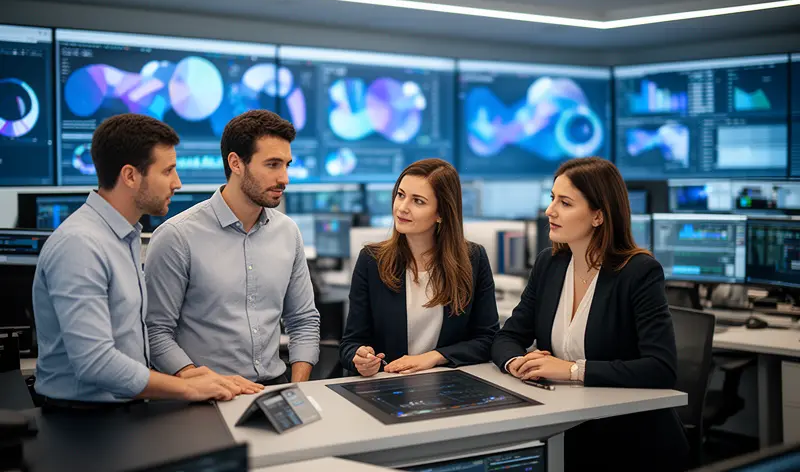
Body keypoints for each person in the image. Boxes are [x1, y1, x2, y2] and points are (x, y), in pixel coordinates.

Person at [33, 114, 260, 410]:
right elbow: (95, 362)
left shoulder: (122, 238)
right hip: (84, 421)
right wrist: (187, 387)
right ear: (130, 176)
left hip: (123, 409)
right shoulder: (80, 245)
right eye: (167, 171)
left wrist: (191, 376)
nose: (177, 183)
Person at [491, 157, 689, 472]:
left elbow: (661, 368)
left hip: (629, 441)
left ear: (599, 215)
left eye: (565, 203)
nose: (549, 211)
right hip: (567, 427)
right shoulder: (550, 264)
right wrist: (517, 363)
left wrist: (571, 370)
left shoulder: (638, 272)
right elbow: (508, 336)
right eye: (552, 198)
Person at [145, 110, 320, 386]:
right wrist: (200, 382)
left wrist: (297, 387)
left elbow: (303, 320)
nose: (284, 178)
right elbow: (155, 332)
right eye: (273, 165)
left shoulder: (288, 233)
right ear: (236, 163)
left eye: (287, 165)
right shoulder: (176, 236)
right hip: (205, 396)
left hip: (277, 387)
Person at [340, 158, 499, 377]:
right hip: (388, 384)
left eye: (418, 201)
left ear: (441, 213)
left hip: (448, 385)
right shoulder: (371, 260)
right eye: (401, 195)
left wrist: (433, 357)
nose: (402, 208)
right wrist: (359, 357)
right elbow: (350, 343)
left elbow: (488, 339)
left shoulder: (473, 259)